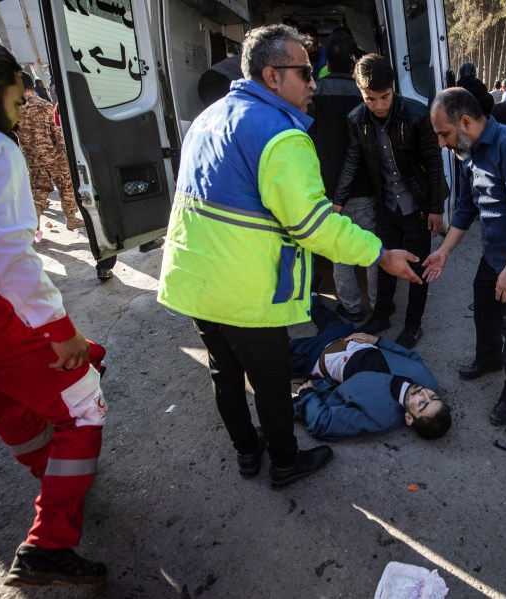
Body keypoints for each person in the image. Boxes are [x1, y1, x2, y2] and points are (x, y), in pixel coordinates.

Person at [157, 25, 422, 488]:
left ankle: (247, 453)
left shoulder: (209, 117)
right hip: (243, 288)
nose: (314, 82)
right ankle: (284, 462)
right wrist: (379, 253)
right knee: (272, 382)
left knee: (225, 374)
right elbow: (313, 224)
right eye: (304, 71)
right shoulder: (281, 135)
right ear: (272, 75)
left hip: (193, 278)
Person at [0, 28, 108, 585]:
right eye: (17, 102)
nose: (21, 118)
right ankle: (49, 542)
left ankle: (56, 476)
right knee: (85, 401)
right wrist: (61, 330)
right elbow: (5, 255)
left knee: (7, 409)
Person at [424, 88, 506, 427]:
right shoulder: (466, 152)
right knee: (484, 306)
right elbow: (467, 208)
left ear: (465, 122)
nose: (442, 143)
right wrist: (443, 252)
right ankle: (488, 360)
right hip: (496, 252)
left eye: (444, 134)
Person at [334, 54, 445, 349]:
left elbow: (434, 163)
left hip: (418, 206)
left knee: (419, 265)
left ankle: (413, 324)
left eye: (384, 97)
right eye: (371, 99)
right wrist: (338, 201)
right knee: (385, 263)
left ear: (393, 88)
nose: (379, 106)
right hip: (386, 207)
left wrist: (436, 208)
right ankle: (382, 315)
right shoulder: (356, 119)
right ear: (361, 92)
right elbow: (353, 160)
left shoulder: (417, 114)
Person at [289, 301, 451, 440]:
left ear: (409, 418)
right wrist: (377, 340)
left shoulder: (380, 418)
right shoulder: (429, 381)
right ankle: (311, 290)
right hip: (350, 337)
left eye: (422, 404)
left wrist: (308, 394)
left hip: (318, 358)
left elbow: (323, 422)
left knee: (274, 352)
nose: (423, 393)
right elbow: (410, 355)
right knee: (323, 313)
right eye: (433, 396)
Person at [309, 30, 377, 323]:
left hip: (327, 189)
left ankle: (350, 306)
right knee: (372, 247)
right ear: (353, 61)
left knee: (339, 250)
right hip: (365, 186)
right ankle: (379, 303)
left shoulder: (314, 94)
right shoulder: (366, 95)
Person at [15, 72, 85, 231]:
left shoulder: (15, 109)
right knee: (65, 185)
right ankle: (71, 218)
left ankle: (35, 220)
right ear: (31, 84)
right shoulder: (45, 106)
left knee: (38, 189)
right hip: (53, 154)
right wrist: (64, 153)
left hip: (32, 158)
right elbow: (57, 134)